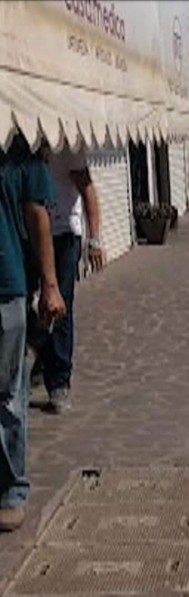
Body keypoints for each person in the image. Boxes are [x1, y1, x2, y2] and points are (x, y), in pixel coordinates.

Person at [1, 133, 66, 532]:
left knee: (8, 393)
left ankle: (10, 490)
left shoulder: (18, 146)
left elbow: (38, 214)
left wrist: (51, 284)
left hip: (6, 284)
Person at [31, 143, 104, 414]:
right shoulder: (25, 144)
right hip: (32, 233)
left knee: (61, 307)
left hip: (63, 235)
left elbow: (88, 191)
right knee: (29, 303)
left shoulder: (67, 148)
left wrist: (95, 240)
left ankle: (59, 381)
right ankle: (41, 354)